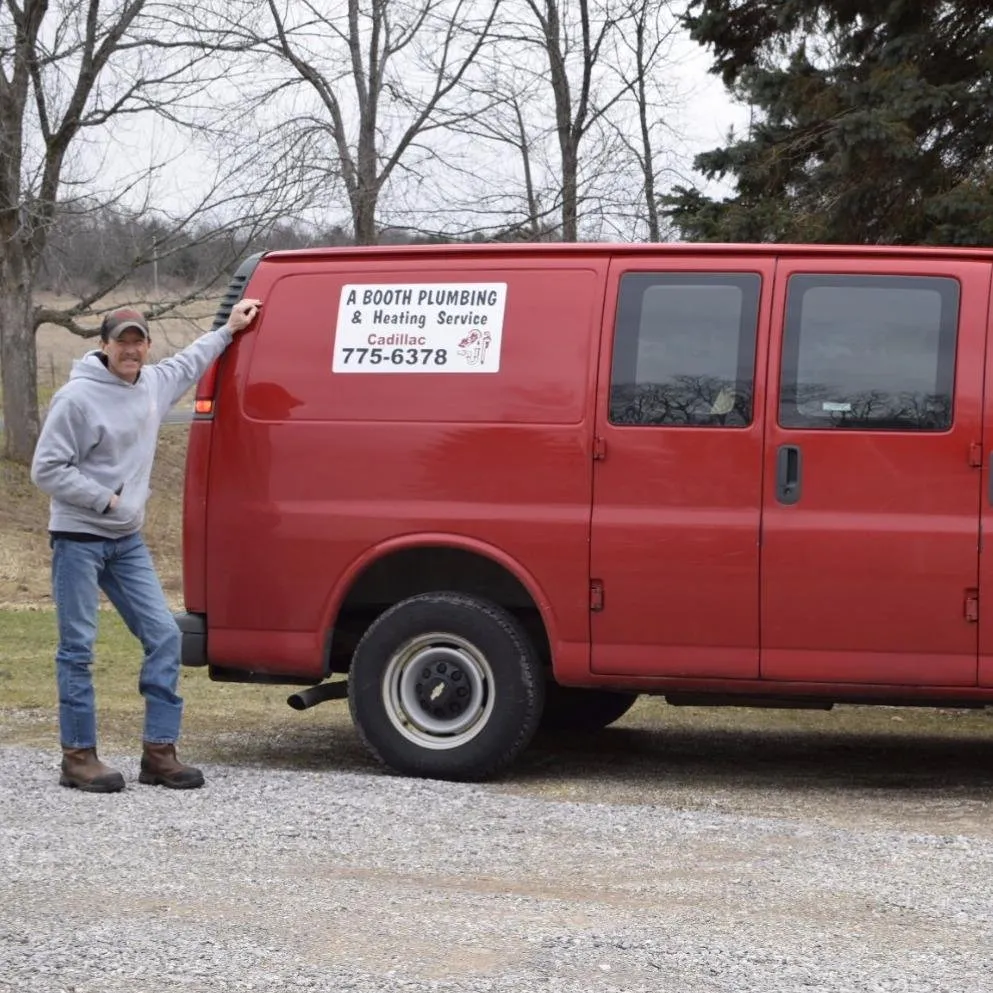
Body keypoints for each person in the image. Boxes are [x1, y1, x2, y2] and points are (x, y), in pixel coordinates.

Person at [30, 297, 262, 793]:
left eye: (138, 342)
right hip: (78, 538)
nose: (130, 350)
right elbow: (46, 469)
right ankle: (78, 757)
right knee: (78, 649)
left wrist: (229, 328)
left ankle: (159, 754)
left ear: (146, 346)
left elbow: (190, 360)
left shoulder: (153, 384)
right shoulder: (76, 398)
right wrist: (106, 502)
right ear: (104, 346)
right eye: (121, 342)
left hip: (125, 542)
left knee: (164, 636)